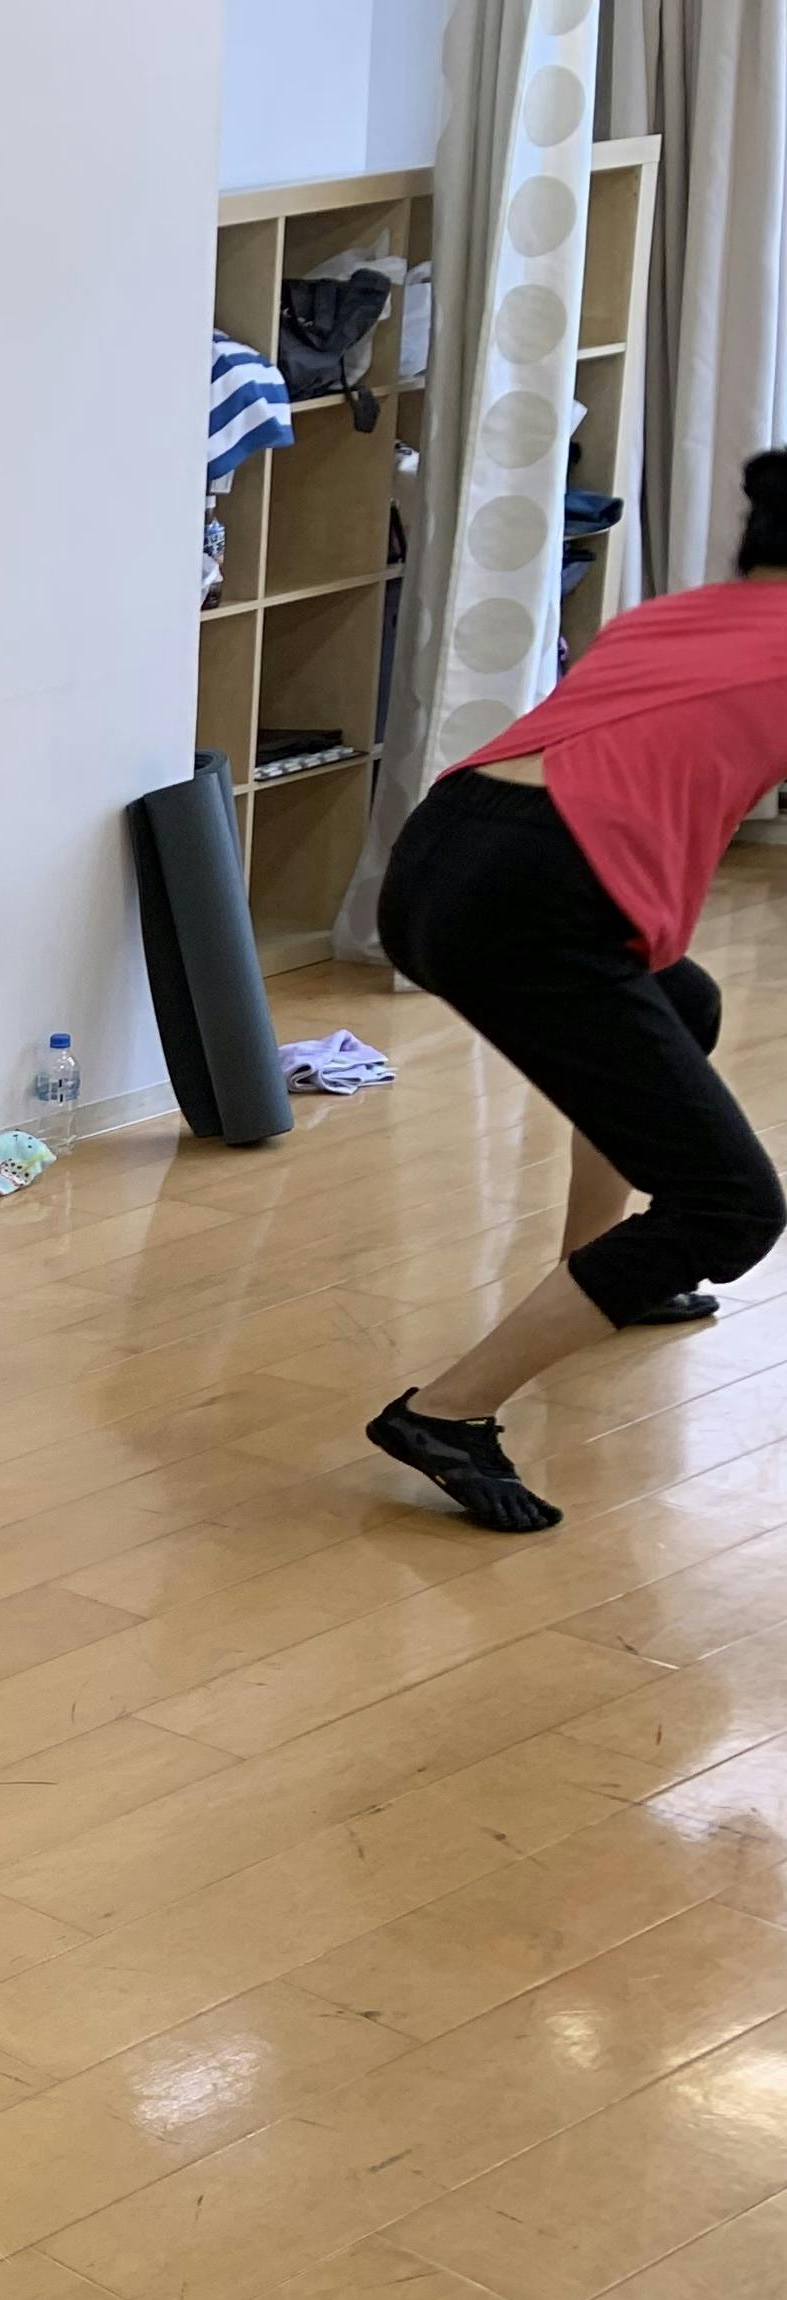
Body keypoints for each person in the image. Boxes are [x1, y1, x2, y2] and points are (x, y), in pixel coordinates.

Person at [366, 449, 787, 1530]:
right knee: (733, 1207)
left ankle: (595, 1265)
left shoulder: (676, 615)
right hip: (538, 895)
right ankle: (447, 1414)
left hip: (439, 857)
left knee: (682, 1004)